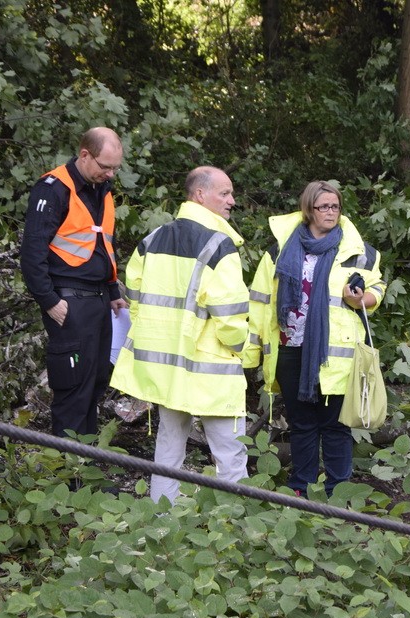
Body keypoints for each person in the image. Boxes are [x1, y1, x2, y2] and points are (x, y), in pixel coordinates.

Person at [111, 167, 251, 503]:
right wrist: (241, 348)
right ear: (200, 195)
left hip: (167, 370)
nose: (232, 201)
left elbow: (136, 298)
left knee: (168, 450)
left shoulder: (153, 239)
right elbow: (230, 317)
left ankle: (161, 520)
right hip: (211, 369)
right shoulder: (221, 245)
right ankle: (239, 530)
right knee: (230, 456)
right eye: (225, 193)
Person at [244, 181, 385, 497]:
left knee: (336, 425)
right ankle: (302, 489)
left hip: (336, 353)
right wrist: (251, 350)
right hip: (290, 348)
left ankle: (339, 492)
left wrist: (360, 298)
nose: (331, 212)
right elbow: (260, 299)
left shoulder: (359, 252)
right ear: (309, 209)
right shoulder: (280, 249)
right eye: (324, 206)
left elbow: (378, 291)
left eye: (335, 206)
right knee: (302, 423)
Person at [21, 127, 128, 437]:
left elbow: (102, 244)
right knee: (73, 387)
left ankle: (87, 468)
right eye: (105, 166)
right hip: (69, 301)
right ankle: (68, 474)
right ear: (84, 155)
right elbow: (32, 253)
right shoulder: (54, 188)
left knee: (95, 383)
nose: (110, 174)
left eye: (115, 167)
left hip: (98, 300)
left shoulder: (101, 189)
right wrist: (50, 301)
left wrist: (111, 290)